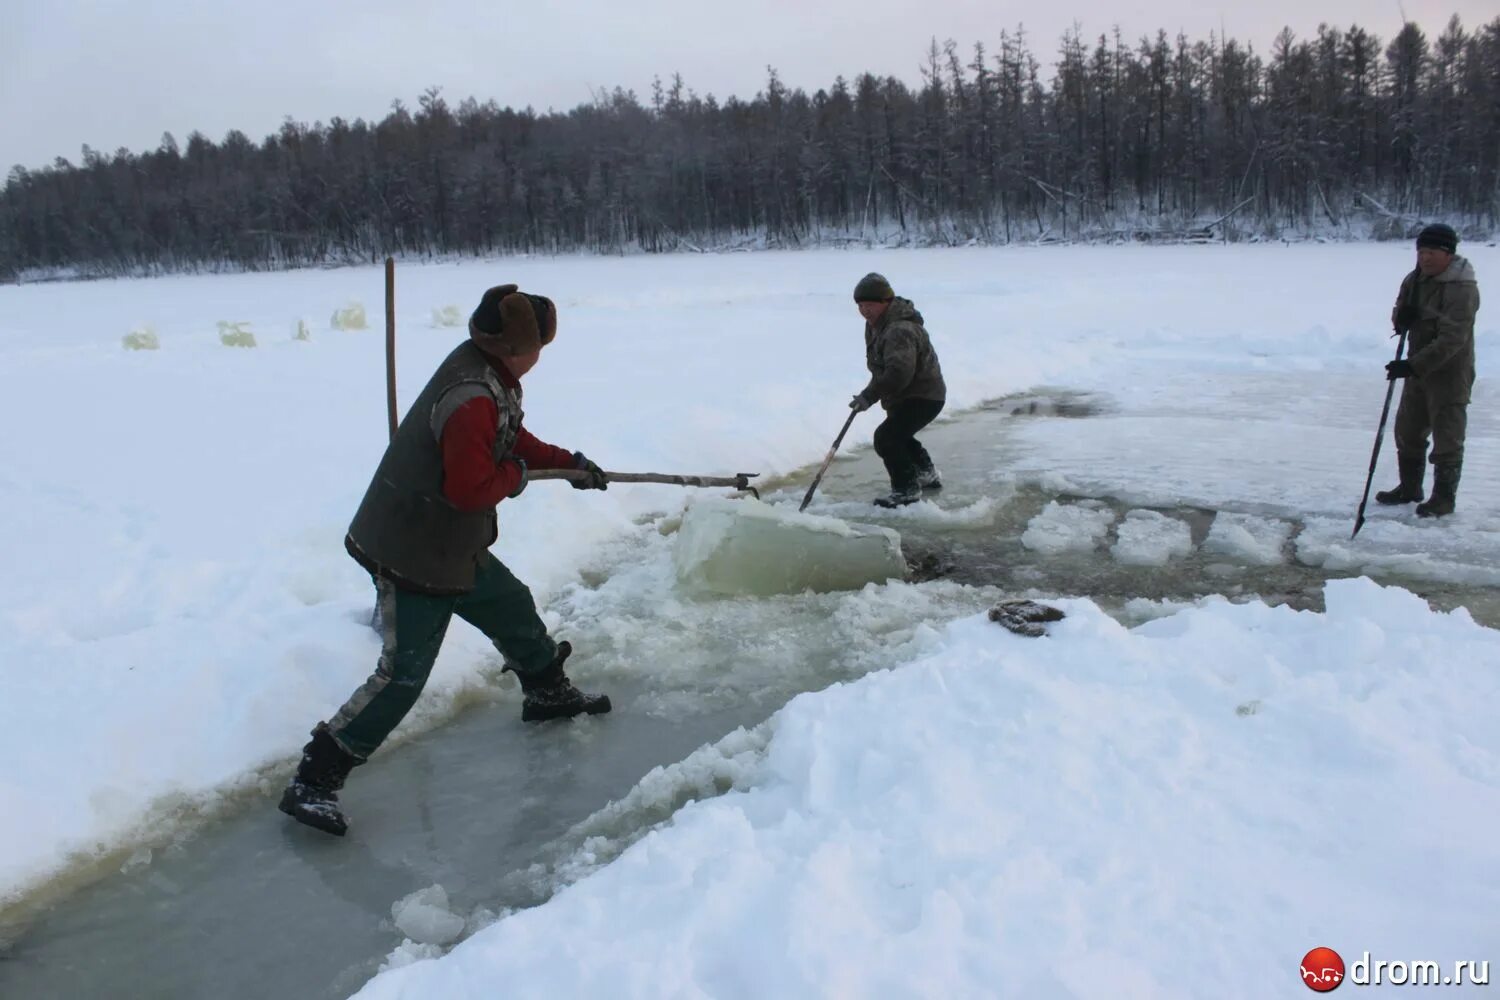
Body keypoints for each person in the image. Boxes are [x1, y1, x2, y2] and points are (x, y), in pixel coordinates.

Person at [280, 283, 612, 837]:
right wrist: (523, 476)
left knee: (511, 606)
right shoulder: (472, 397)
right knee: (403, 676)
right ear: (514, 350)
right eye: (539, 348)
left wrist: (569, 464)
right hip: (413, 550)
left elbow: (508, 438)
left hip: (449, 542)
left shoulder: (489, 376)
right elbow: (471, 486)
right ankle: (315, 778)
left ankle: (547, 691)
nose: (541, 358)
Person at [1375, 223, 1480, 518]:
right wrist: (1402, 317)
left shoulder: (1462, 288)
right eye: (1421, 252)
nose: (1425, 258)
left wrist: (1412, 365)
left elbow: (1453, 338)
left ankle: (1443, 498)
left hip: (1449, 372)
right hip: (1417, 369)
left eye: (1432, 252)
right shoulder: (1415, 279)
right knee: (1408, 430)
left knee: (1447, 436)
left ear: (1448, 253)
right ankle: (1409, 488)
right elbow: (1400, 310)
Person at [848, 272, 948, 507]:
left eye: (870, 305)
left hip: (923, 396)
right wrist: (870, 393)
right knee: (899, 435)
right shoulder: (875, 326)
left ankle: (906, 490)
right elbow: (882, 369)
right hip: (905, 397)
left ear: (886, 302)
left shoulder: (899, 330)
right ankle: (926, 473)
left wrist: (869, 396)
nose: (865, 311)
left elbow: (898, 373)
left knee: (886, 438)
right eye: (860, 305)